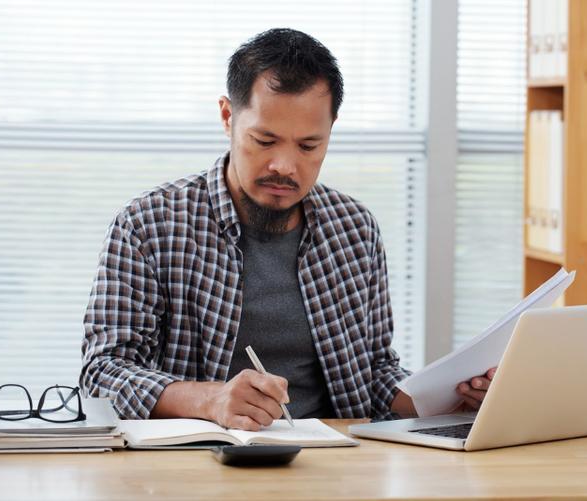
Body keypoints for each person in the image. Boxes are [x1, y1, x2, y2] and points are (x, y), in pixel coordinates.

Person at [81, 28, 495, 431]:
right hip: (193, 462)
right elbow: (102, 375)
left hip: (336, 463)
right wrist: (211, 401)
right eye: (264, 141)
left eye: (309, 146)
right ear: (228, 117)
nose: (285, 166)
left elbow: (373, 373)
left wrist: (449, 401)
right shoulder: (149, 224)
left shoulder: (354, 228)